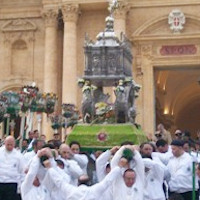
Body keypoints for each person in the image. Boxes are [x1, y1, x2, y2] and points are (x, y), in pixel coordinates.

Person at [43, 155, 127, 200]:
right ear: (89, 183)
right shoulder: (94, 190)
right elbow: (108, 180)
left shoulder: (71, 191)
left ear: (78, 183)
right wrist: (119, 167)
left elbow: (59, 181)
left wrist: (49, 168)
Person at [0, 136, 25, 200]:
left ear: (14, 144)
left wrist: (21, 185)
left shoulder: (18, 155)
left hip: (12, 182)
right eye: (8, 144)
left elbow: (22, 170)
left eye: (11, 145)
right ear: (4, 143)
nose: (9, 146)